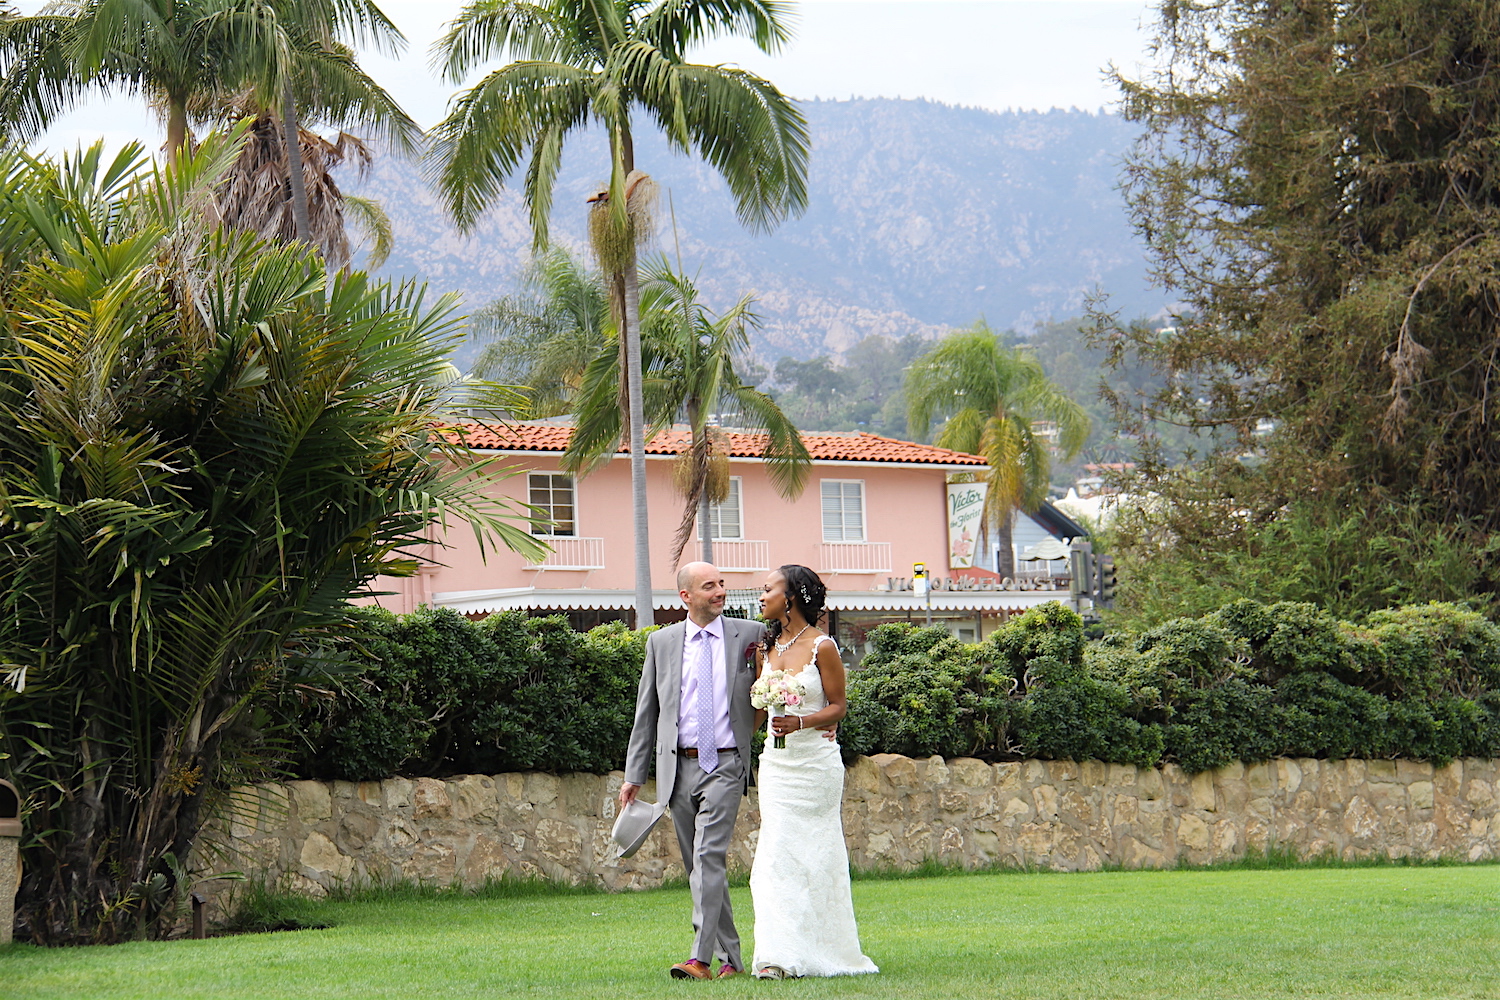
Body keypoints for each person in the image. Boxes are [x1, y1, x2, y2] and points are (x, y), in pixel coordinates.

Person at [619, 561, 763, 980]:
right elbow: (647, 713)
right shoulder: (661, 643)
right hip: (676, 769)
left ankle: (699, 958)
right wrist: (634, 774)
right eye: (709, 586)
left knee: (707, 856)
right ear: (686, 596)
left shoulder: (750, 635)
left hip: (725, 763)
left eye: (722, 584)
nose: (720, 592)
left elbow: (780, 681)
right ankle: (732, 961)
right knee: (700, 867)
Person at [750, 564, 879, 979]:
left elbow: (839, 706)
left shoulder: (823, 646)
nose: (761, 595)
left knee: (816, 857)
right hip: (776, 765)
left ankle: (823, 950)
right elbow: (756, 713)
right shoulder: (763, 648)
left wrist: (803, 722)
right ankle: (777, 955)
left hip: (816, 766)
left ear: (789, 598)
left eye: (768, 589)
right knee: (775, 856)